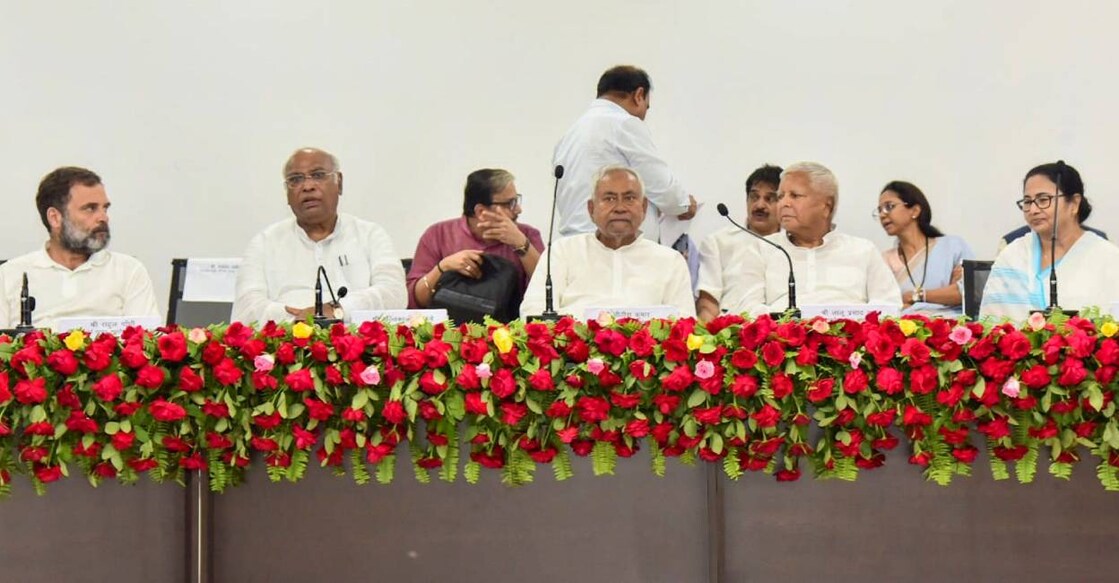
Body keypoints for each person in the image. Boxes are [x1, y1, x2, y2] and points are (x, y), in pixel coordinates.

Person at [231, 147, 406, 324]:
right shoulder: (264, 243)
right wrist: (299, 319)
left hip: (357, 347)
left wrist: (338, 309)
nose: (308, 186)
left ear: (339, 183)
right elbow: (245, 311)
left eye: (318, 175)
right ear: (287, 194)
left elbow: (394, 294)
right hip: (284, 345)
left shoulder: (370, 235)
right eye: (296, 179)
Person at [719, 162, 901, 315]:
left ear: (826, 206)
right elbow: (748, 309)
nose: (784, 203)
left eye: (795, 196)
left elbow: (888, 308)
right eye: (781, 196)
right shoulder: (762, 249)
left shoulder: (862, 251)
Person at [519, 166, 696, 318]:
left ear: (643, 207)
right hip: (574, 355)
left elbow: (685, 323)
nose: (619, 208)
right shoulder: (563, 251)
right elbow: (533, 312)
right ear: (591, 209)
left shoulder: (670, 260)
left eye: (629, 198)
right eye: (609, 198)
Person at [0, 166, 160, 330]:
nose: (103, 217)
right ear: (55, 218)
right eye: (90, 208)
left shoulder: (128, 271)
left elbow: (146, 347)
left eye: (105, 208)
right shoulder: (9, 275)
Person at [552, 65, 697, 242]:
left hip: (574, 245)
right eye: (647, 107)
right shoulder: (624, 124)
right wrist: (684, 205)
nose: (644, 115)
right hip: (614, 246)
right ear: (638, 95)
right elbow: (662, 186)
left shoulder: (570, 134)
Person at [981, 162, 1119, 320]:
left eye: (1043, 199)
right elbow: (991, 328)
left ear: (1074, 203)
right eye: (1027, 202)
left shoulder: (1107, 257)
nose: (1033, 210)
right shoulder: (1013, 255)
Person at [406, 169, 544, 311]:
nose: (518, 209)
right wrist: (442, 268)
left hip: (509, 328)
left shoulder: (528, 235)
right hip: (449, 328)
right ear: (481, 212)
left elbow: (548, 293)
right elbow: (414, 300)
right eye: (510, 203)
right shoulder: (438, 234)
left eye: (517, 200)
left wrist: (521, 244)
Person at [696, 164, 782, 320]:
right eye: (754, 197)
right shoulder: (718, 242)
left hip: (779, 331)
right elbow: (708, 303)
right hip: (731, 328)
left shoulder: (792, 244)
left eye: (770, 198)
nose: (759, 205)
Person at [876, 181, 974, 315]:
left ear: (915, 210)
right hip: (904, 331)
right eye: (879, 210)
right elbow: (884, 305)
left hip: (952, 328)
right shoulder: (884, 260)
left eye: (889, 206)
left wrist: (915, 296)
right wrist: (944, 294)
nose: (882, 214)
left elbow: (967, 292)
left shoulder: (952, 247)